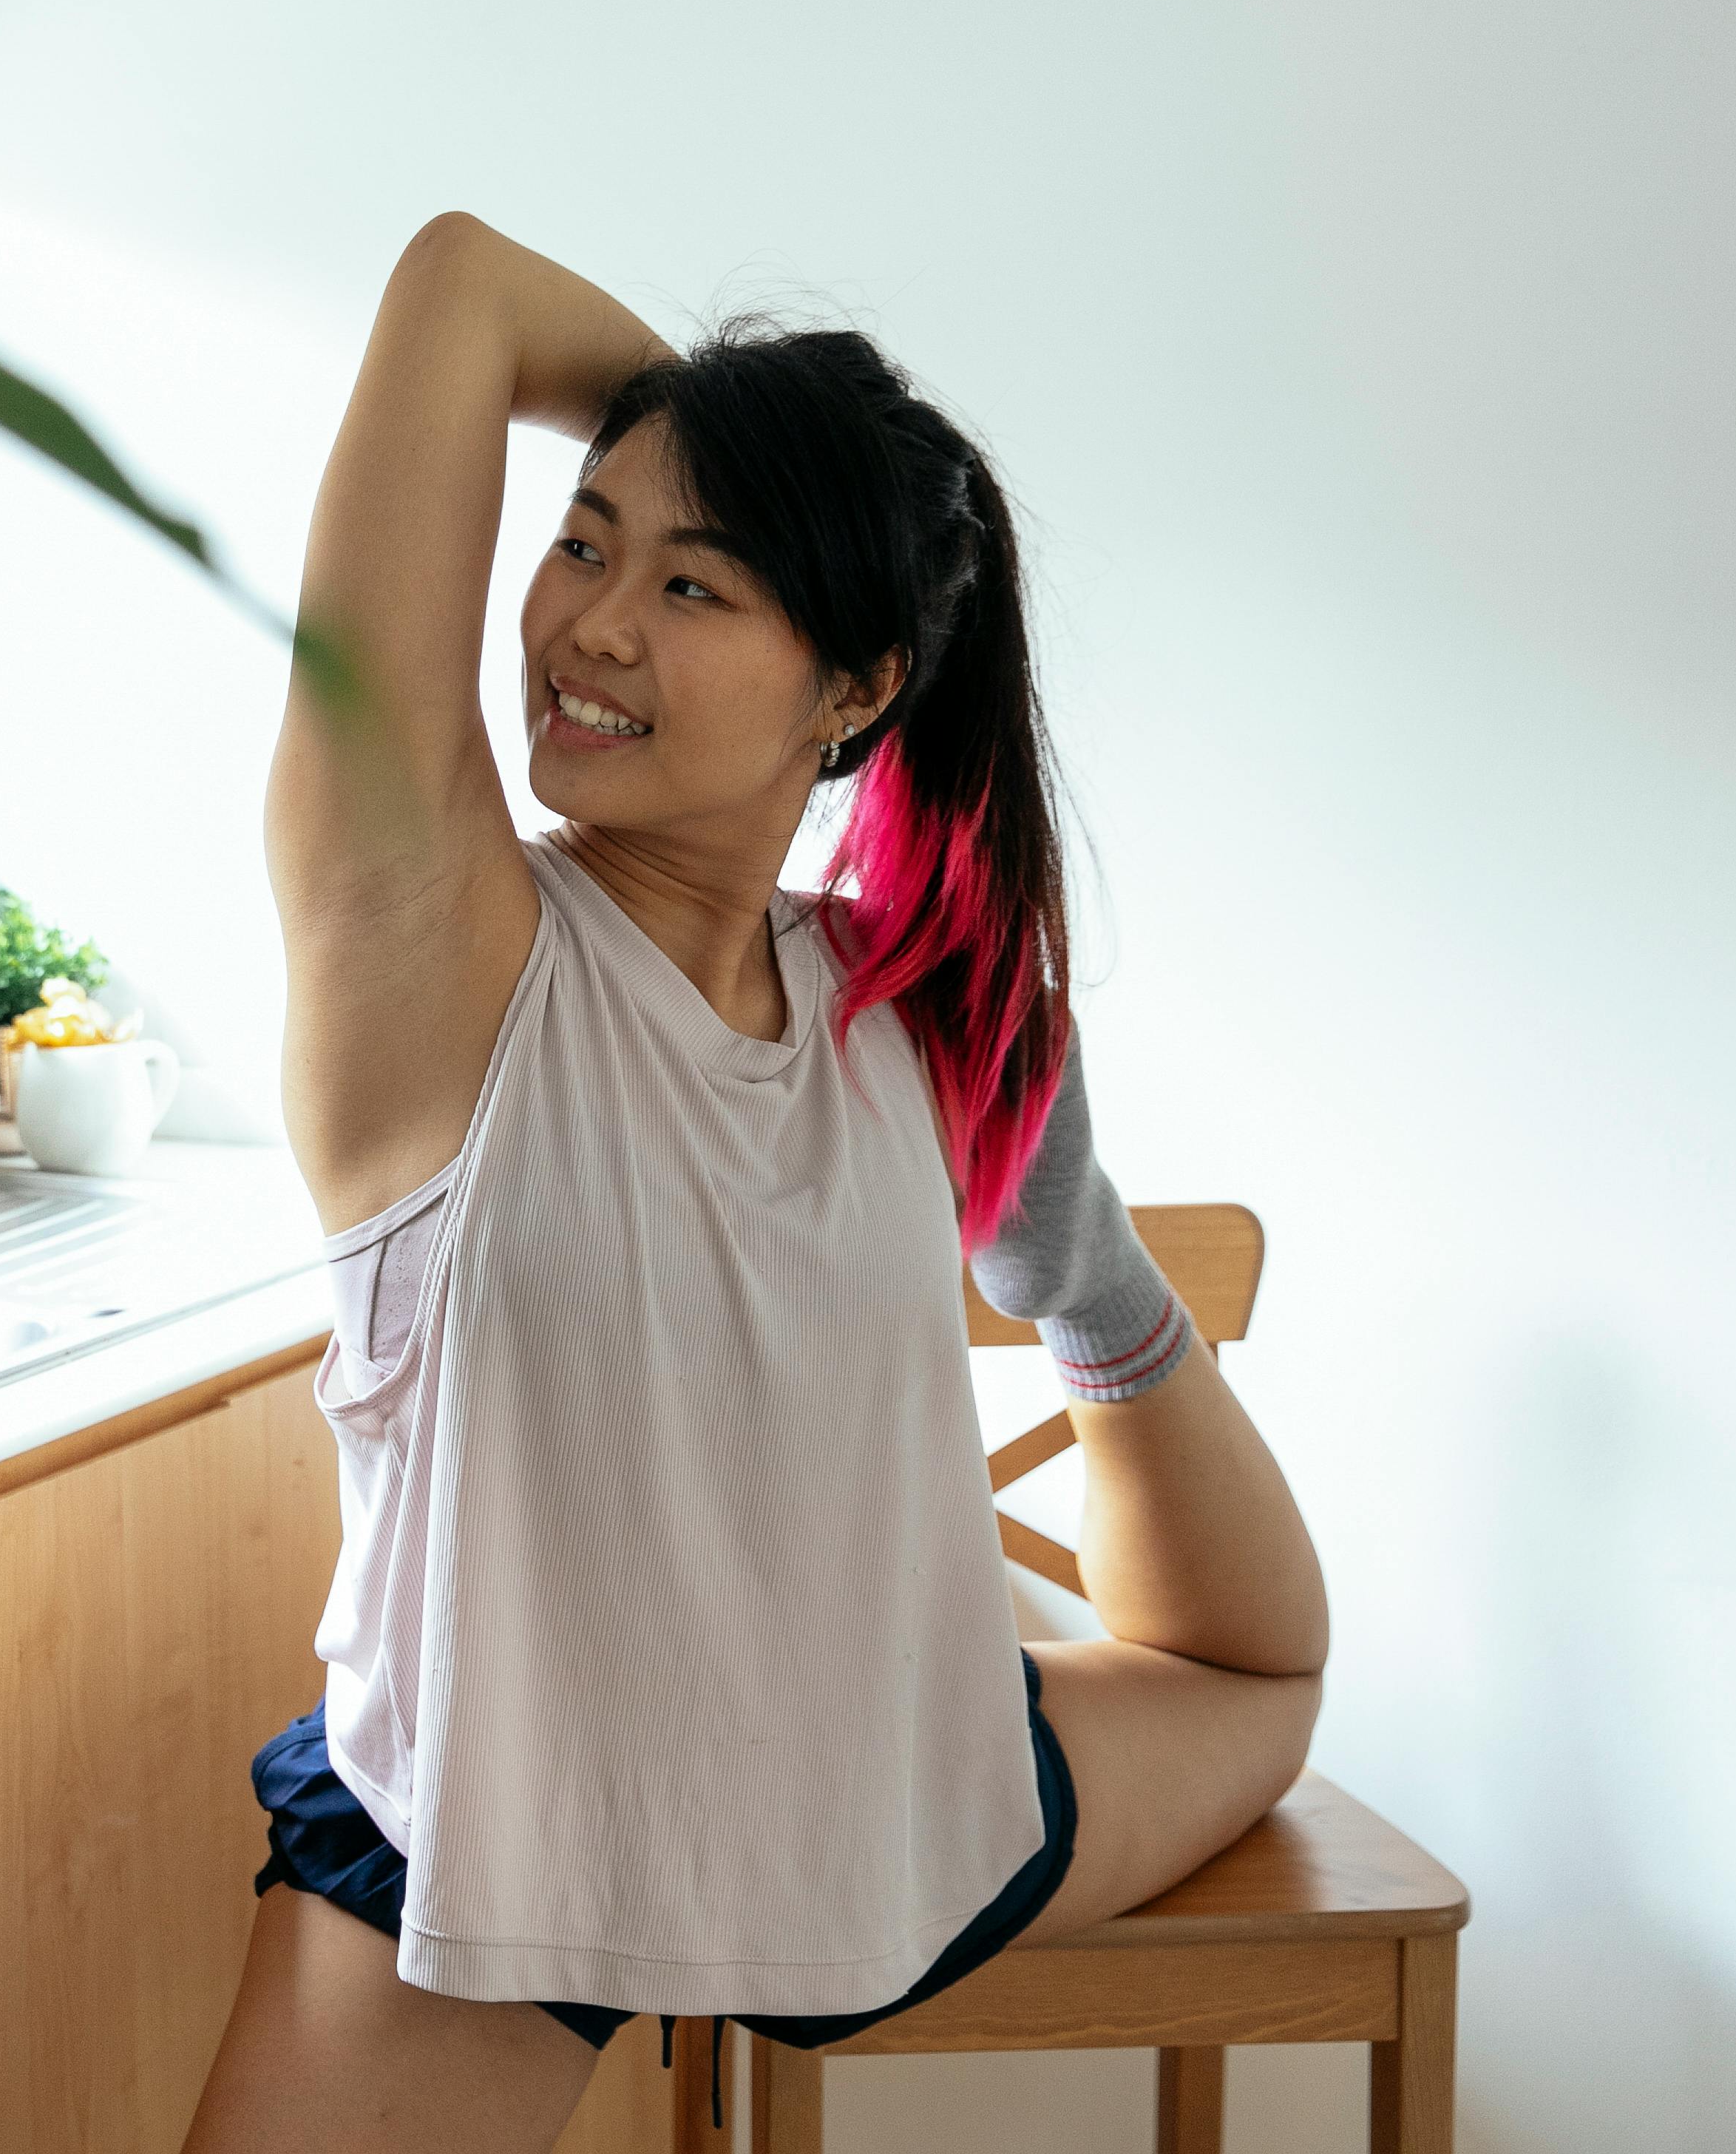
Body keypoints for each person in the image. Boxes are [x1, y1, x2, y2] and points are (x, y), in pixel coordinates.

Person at [183, 215, 1330, 2152]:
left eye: (699, 584)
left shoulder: (903, 1003)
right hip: (507, 1852)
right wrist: (735, 439)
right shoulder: (432, 942)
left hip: (884, 1814)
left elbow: (1251, 1658)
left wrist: (1082, 1275)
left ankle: (1079, 1255)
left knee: (1257, 1683)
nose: (593, 625)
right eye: (586, 541)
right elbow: (463, 283)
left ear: (854, 690)